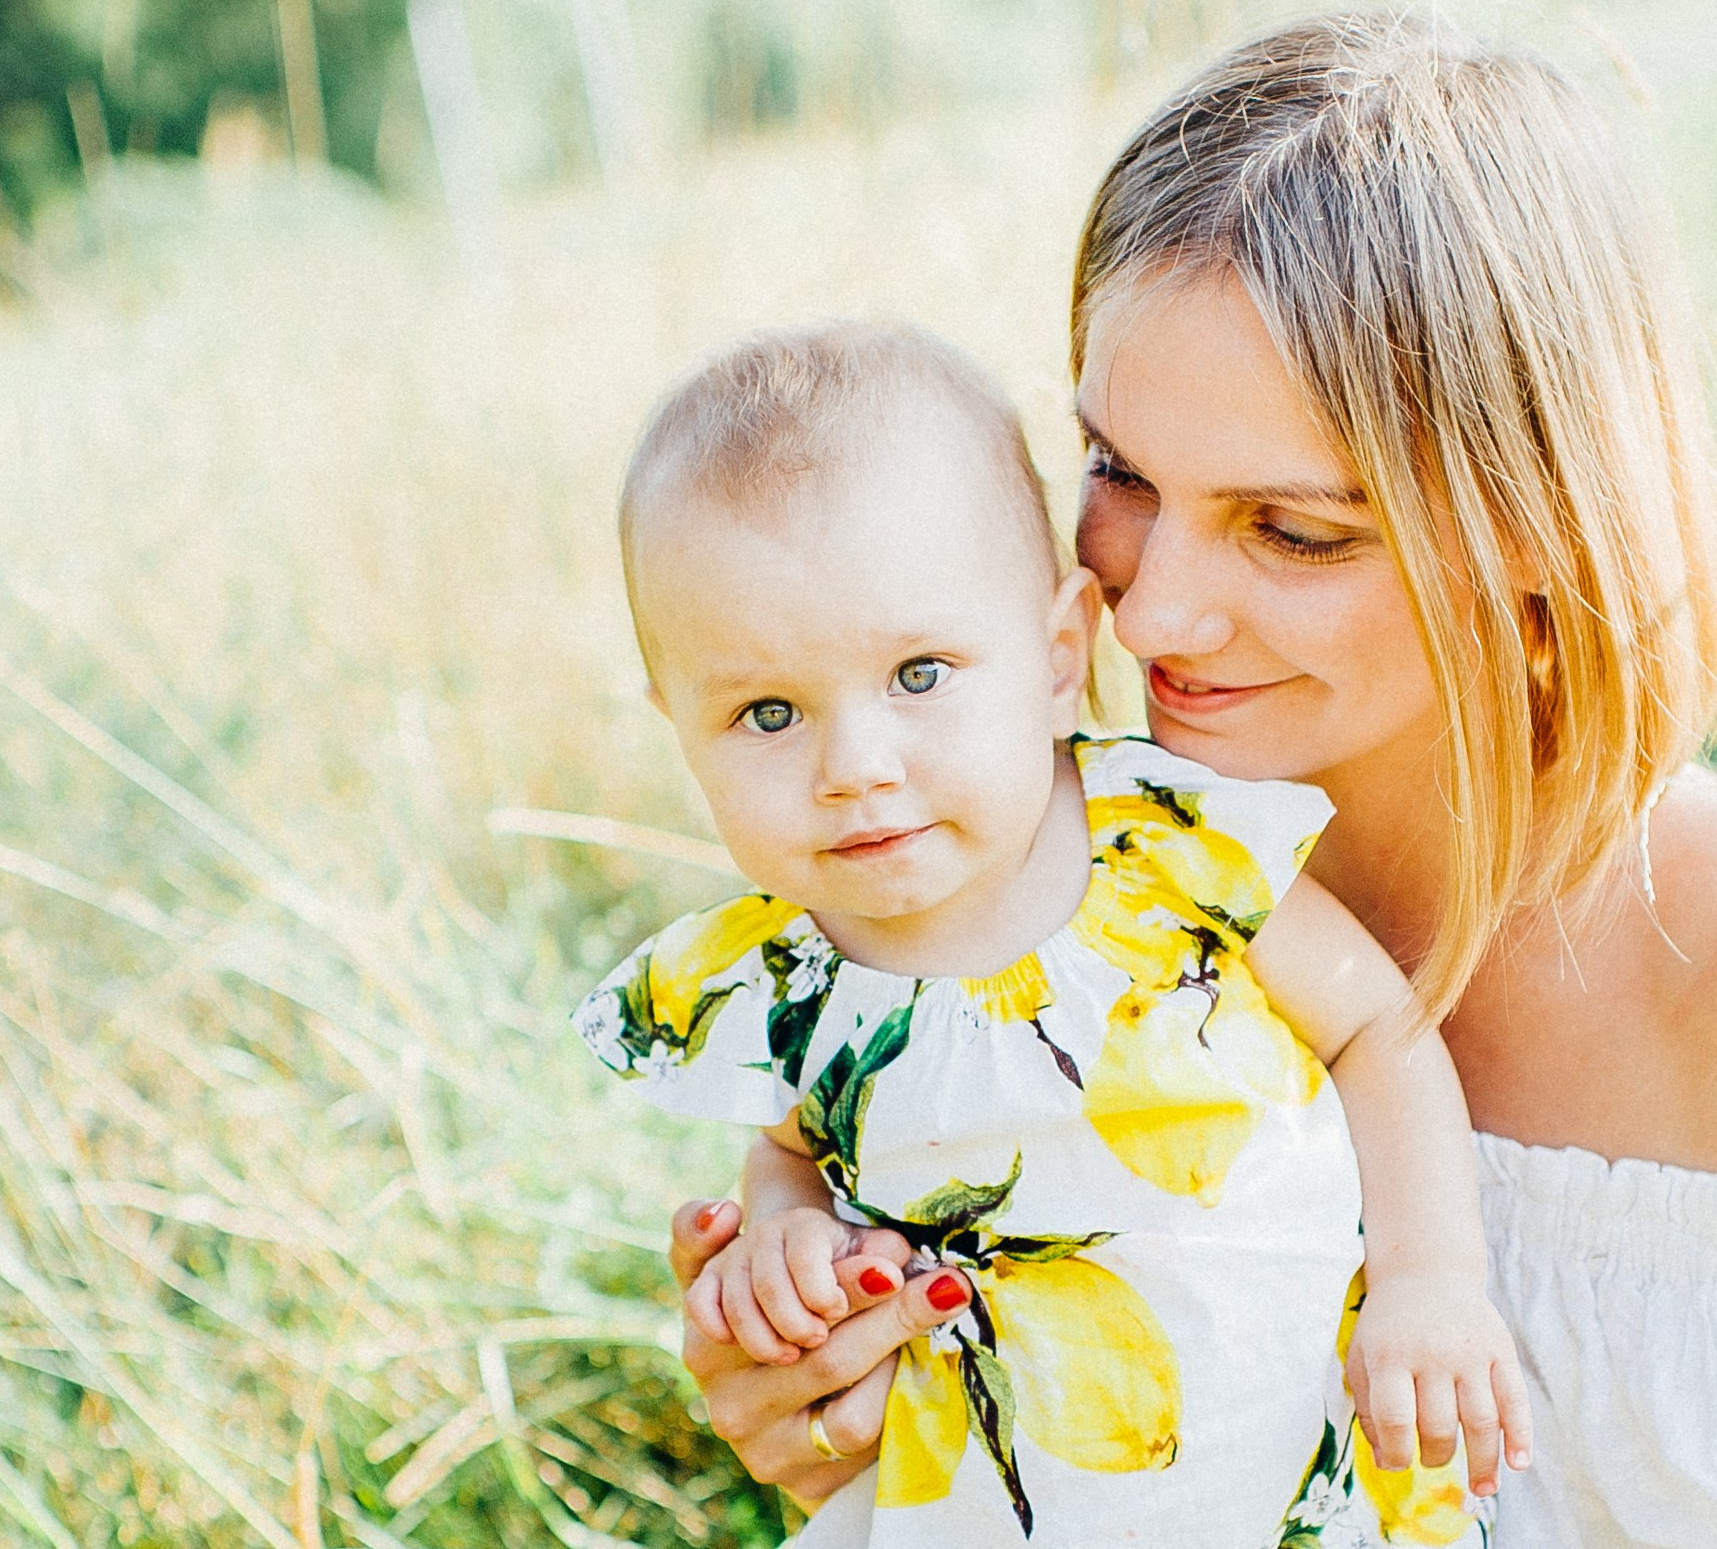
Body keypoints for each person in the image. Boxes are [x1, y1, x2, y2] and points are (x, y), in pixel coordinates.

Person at [666, 14, 1717, 1546]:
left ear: (1538, 522)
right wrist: (846, 1409)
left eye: (1293, 530)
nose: (1151, 608)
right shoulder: (1013, 886)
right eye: (1120, 473)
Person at [575, 319, 1531, 1545]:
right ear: (676, 723)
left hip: (1296, 1485)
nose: (856, 770)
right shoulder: (776, 978)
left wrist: (1430, 1280)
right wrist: (787, 1243)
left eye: (920, 674)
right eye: (767, 713)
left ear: (1058, 649)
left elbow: (1377, 1032)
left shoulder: (1169, 850)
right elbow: (792, 1150)